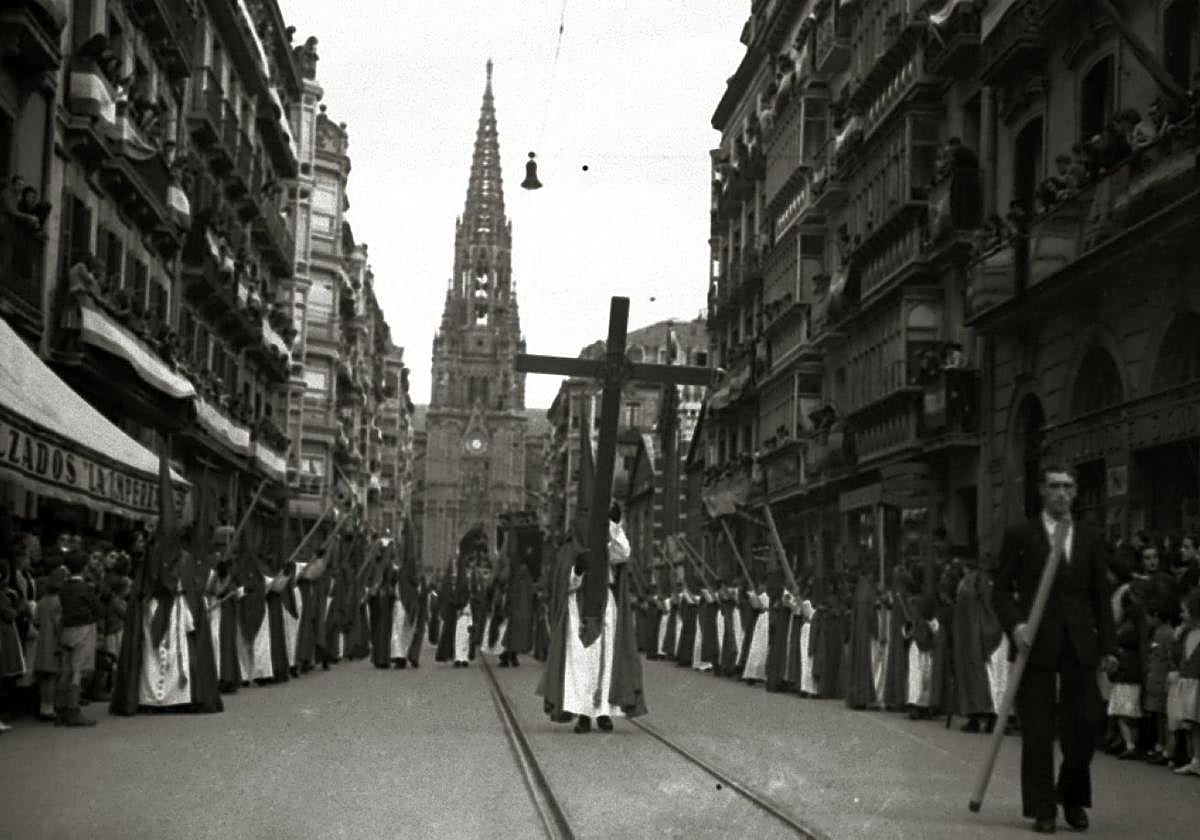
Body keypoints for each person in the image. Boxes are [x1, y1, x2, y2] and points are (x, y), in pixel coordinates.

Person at [992, 464, 1117, 834]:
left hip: (1080, 644)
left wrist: (1108, 645)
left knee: (1086, 727)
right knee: (1038, 731)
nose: (1062, 493)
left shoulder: (1090, 537)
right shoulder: (1021, 534)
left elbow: (1100, 594)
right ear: (1042, 492)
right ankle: (1043, 808)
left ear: (1076, 492)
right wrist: (1016, 626)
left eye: (1068, 486)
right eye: (1054, 486)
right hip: (1035, 644)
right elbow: (1000, 590)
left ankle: (1071, 795)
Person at [538, 502, 646, 732]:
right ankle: (583, 713)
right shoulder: (568, 549)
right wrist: (577, 570)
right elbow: (561, 584)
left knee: (606, 659)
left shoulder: (605, 544)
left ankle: (603, 711)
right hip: (577, 608)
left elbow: (623, 554)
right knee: (580, 661)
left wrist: (614, 525)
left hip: (604, 605)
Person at [56, 552, 102, 726]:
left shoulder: (64, 587)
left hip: (66, 629)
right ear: (83, 568)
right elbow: (97, 608)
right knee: (77, 671)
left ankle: (60, 709)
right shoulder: (84, 588)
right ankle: (73, 710)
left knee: (65, 670)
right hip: (82, 629)